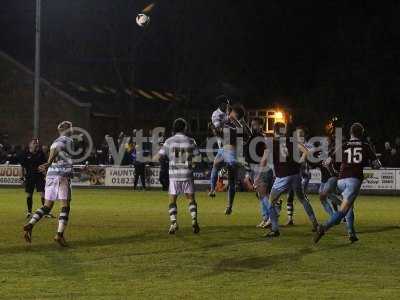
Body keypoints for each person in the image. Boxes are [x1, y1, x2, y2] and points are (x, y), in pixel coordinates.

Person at [314, 122, 381, 243]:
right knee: (343, 210)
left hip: (340, 180)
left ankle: (352, 233)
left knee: (348, 206)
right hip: (353, 180)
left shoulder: (344, 145)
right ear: (361, 133)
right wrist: (370, 163)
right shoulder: (365, 145)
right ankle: (324, 227)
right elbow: (377, 165)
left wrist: (334, 171)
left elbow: (328, 162)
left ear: (350, 133)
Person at [258, 122, 319, 238]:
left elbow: (263, 161)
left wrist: (258, 175)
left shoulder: (271, 143)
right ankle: (315, 223)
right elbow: (306, 151)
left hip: (283, 176)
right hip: (296, 174)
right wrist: (301, 161)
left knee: (271, 201)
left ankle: (275, 229)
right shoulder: (292, 140)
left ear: (274, 131)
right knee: (302, 199)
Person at [23, 121, 74, 247]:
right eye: (71, 128)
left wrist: (49, 164)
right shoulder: (67, 140)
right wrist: (49, 162)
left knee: (47, 206)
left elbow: (55, 149)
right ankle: (59, 235)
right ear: (67, 129)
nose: (72, 130)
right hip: (61, 174)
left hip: (51, 175)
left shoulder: (55, 140)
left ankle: (30, 224)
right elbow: (57, 149)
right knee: (65, 205)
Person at [155, 118, 200, 234]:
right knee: (191, 199)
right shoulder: (191, 141)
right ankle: (194, 219)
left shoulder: (169, 141)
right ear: (184, 128)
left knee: (172, 200)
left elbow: (159, 157)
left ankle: (174, 222)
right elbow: (198, 158)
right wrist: (192, 164)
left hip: (174, 176)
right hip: (187, 174)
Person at [209, 104, 246, 215]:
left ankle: (227, 204)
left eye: (231, 112)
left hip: (230, 151)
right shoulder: (229, 124)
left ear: (236, 114)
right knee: (216, 165)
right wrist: (214, 129)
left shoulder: (237, 126)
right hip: (224, 150)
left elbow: (237, 135)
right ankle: (213, 190)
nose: (229, 113)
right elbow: (222, 134)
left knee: (230, 179)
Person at [19, 139, 51, 218]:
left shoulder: (41, 154)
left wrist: (45, 174)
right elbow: (22, 167)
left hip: (39, 176)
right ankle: (29, 212)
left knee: (43, 193)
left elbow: (45, 165)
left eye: (37, 143)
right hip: (29, 177)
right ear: (30, 145)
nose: (36, 144)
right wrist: (21, 177)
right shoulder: (25, 154)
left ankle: (45, 213)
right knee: (29, 194)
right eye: (34, 143)